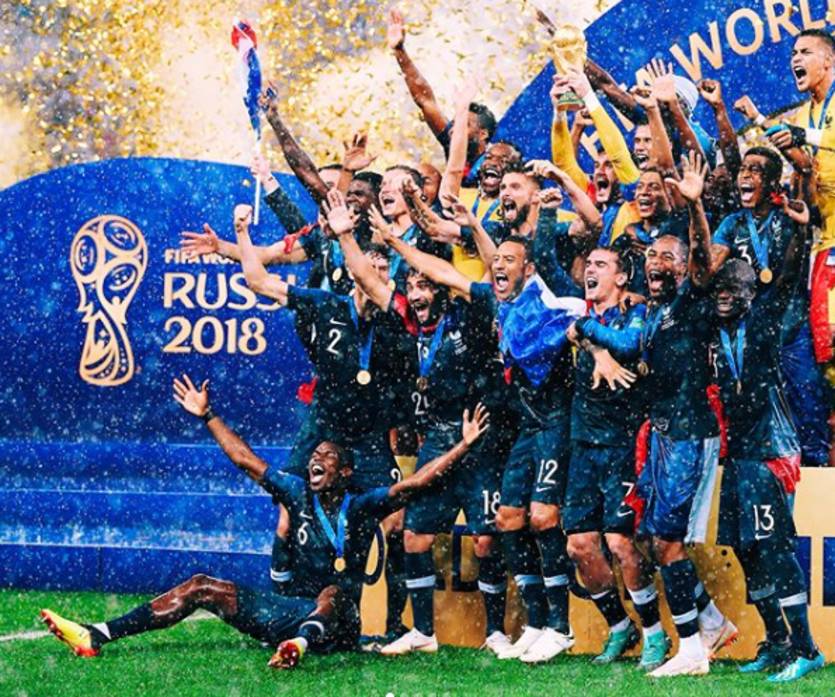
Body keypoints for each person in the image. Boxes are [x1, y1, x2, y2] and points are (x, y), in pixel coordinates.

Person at [41, 376, 490, 669]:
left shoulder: (360, 505)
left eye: (326, 457)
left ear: (345, 472)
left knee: (333, 592)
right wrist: (208, 416)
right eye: (314, 455)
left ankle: (299, 647)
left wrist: (464, 445)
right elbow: (245, 460)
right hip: (287, 613)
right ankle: (97, 634)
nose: (315, 460)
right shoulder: (296, 492)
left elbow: (415, 484)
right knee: (201, 585)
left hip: (337, 625)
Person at [372, 218, 607, 663]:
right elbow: (442, 272)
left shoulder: (547, 299)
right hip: (525, 428)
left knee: (543, 518)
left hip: (555, 423)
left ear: (529, 269)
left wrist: (600, 356)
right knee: (508, 519)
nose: (499, 266)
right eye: (495, 260)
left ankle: (561, 628)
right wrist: (396, 242)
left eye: (509, 260)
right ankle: (537, 623)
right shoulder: (497, 302)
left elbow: (584, 322)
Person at [321, 188, 515, 655]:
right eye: (412, 287)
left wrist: (397, 243)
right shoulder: (409, 321)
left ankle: (495, 632)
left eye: (424, 287)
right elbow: (368, 279)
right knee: (414, 535)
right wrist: (346, 236)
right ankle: (424, 632)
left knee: (485, 541)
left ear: (440, 291)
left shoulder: (469, 314)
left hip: (480, 436)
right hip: (437, 441)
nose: (417, 294)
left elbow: (447, 271)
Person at [233, 202, 414, 638]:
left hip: (369, 436)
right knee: (287, 513)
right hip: (325, 428)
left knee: (395, 523)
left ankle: (394, 628)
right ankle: (283, 609)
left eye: (383, 273)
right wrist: (241, 233)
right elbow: (257, 280)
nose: (376, 279)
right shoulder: (325, 305)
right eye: (370, 271)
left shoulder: (395, 318)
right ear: (353, 273)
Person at [635, 151, 736, 678]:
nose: (656, 262)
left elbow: (701, 258)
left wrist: (695, 207)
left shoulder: (692, 298)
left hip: (691, 434)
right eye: (651, 255)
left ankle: (693, 649)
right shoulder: (654, 312)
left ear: (682, 267)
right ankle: (712, 622)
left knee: (668, 542)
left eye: (666, 257)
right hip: (663, 434)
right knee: (653, 539)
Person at [710, 253, 824, 683]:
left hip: (770, 451)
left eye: (733, 289)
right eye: (719, 289)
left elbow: (789, 275)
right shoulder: (714, 330)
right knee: (746, 548)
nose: (723, 295)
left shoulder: (762, 325)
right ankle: (777, 641)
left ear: (749, 295)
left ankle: (807, 649)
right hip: (740, 454)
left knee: (774, 548)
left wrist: (798, 233)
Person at [563, 248, 670, 671]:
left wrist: (586, 333)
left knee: (621, 543)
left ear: (622, 278)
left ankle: (655, 634)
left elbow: (629, 345)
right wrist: (593, 346)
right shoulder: (580, 316)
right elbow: (568, 333)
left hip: (622, 446)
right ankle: (619, 626)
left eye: (601, 265)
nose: (590, 269)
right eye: (588, 264)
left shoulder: (635, 315)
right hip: (582, 444)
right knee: (579, 545)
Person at [387, 8, 496, 184]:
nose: (454, 129)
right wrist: (399, 51)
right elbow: (425, 100)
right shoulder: (452, 141)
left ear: (483, 134)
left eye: (464, 124)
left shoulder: (497, 164)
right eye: (454, 123)